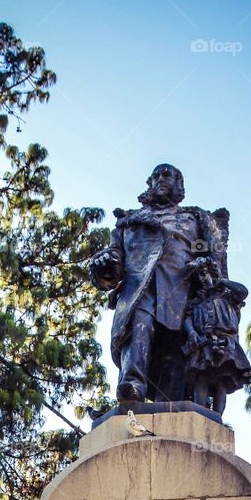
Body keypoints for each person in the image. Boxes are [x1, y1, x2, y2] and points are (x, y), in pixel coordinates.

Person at [90, 164, 230, 403]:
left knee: (173, 352)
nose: (160, 179)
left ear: (179, 184)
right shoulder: (129, 223)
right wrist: (103, 262)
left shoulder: (196, 218)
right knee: (139, 325)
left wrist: (207, 272)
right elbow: (114, 261)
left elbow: (217, 263)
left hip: (182, 291)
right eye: (156, 176)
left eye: (167, 175)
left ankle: (172, 403)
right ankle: (132, 385)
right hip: (140, 288)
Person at [182, 256, 251, 414]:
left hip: (225, 341)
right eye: (198, 275)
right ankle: (200, 413)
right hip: (204, 342)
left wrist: (223, 282)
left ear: (211, 273)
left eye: (204, 273)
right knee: (202, 377)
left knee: (221, 381)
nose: (202, 278)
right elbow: (187, 318)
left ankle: (218, 416)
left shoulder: (226, 296)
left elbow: (243, 292)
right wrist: (191, 332)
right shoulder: (196, 302)